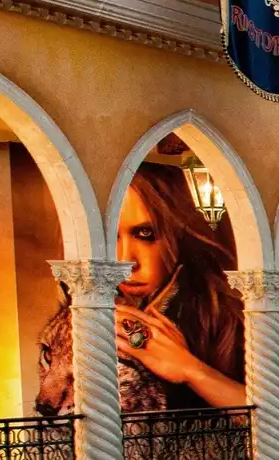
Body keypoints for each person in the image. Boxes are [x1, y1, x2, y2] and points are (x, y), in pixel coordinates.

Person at [36, 163, 245, 415]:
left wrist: (191, 371)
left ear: (184, 236)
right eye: (110, 236)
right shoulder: (83, 308)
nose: (125, 261)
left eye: (146, 234)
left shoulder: (231, 317)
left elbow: (274, 423)